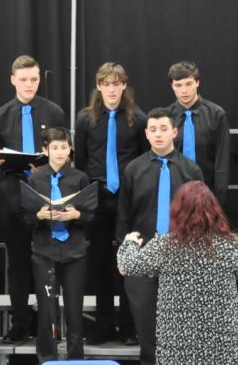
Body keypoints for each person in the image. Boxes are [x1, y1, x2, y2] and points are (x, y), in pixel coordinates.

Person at [118, 181, 238, 365]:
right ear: (214, 209)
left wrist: (129, 243)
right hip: (221, 344)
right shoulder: (227, 244)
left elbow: (128, 265)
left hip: (176, 346)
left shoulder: (165, 245)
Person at [116, 107, 204, 365]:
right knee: (145, 324)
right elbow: (123, 215)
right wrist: (123, 253)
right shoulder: (134, 169)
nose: (158, 134)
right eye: (153, 130)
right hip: (143, 257)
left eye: (163, 129)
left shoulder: (191, 171)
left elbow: (201, 218)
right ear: (146, 133)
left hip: (182, 257)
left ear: (174, 132)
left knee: (180, 328)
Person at [0, 55, 66, 342]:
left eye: (34, 79)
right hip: (14, 191)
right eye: (23, 79)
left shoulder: (54, 112)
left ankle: (49, 323)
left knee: (48, 257)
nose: (29, 84)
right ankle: (19, 322)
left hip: (48, 189)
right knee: (17, 260)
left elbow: (63, 149)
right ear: (13, 80)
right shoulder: (0, 116)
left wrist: (50, 163)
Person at [74, 62, 147, 345]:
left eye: (117, 83)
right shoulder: (86, 120)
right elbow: (80, 162)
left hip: (128, 199)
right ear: (99, 86)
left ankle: (129, 327)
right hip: (98, 197)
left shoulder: (137, 119)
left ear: (124, 86)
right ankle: (104, 327)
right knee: (101, 263)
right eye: (107, 83)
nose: (112, 89)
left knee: (128, 262)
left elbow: (143, 161)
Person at [26, 127, 94, 363]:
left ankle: (75, 358)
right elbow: (26, 216)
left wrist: (76, 216)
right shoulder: (35, 178)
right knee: (47, 311)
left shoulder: (79, 178)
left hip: (73, 250)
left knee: (74, 311)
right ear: (45, 150)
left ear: (70, 149)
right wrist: (40, 216)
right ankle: (47, 358)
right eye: (54, 148)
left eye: (64, 147)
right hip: (44, 250)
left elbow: (90, 214)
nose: (59, 152)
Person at [165, 61, 229, 205]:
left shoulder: (216, 114)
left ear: (197, 83)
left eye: (188, 84)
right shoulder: (166, 117)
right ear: (172, 86)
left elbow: (222, 160)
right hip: (174, 193)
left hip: (208, 192)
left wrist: (219, 198)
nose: (184, 90)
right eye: (178, 85)